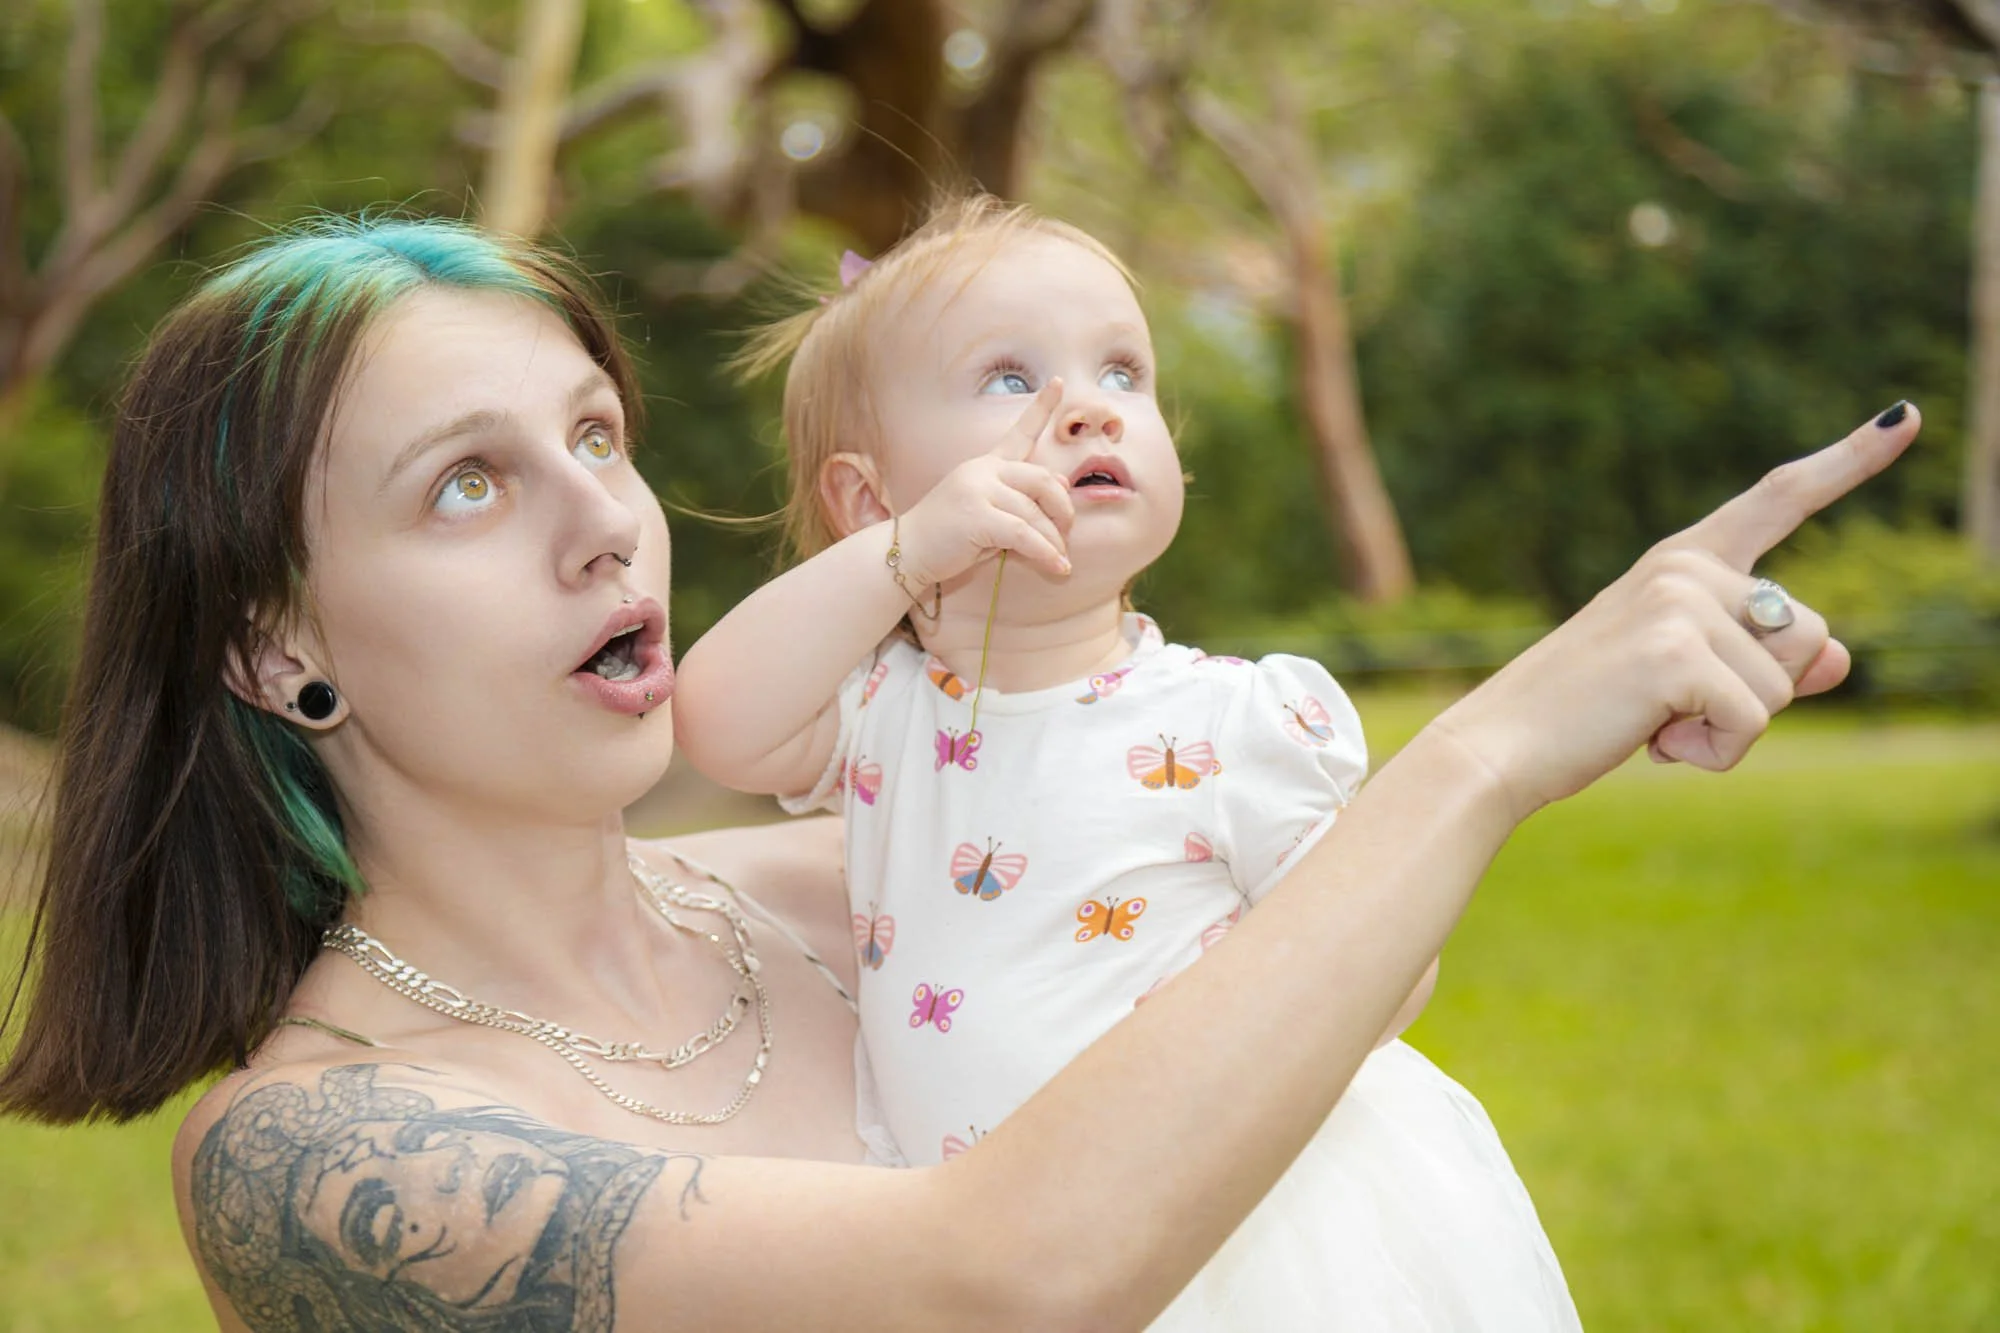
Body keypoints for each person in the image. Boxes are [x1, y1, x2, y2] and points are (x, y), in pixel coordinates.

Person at [0, 213, 1913, 1333]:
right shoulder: (314, 1155)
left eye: (595, 434)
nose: (606, 524)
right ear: (274, 643)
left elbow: (1315, 943)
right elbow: (1002, 1279)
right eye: (467, 485)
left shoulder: (868, 874)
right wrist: (1490, 746)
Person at [671, 195, 1572, 1329]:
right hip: (983, 1251)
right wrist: (901, 556)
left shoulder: (1229, 724)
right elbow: (714, 719)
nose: (1088, 408)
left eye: (1123, 373)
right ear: (872, 501)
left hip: (1232, 1227)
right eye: (1010, 378)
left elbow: (1381, 968)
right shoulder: (877, 710)